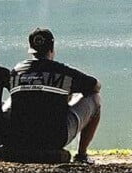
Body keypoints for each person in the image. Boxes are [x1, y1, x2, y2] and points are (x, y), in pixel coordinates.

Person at [8, 28, 102, 164]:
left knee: (14, 96)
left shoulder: (16, 71)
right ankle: (81, 155)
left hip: (20, 138)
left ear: (31, 50)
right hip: (54, 139)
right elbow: (95, 86)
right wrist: (69, 90)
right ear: (52, 49)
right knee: (95, 98)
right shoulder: (63, 71)